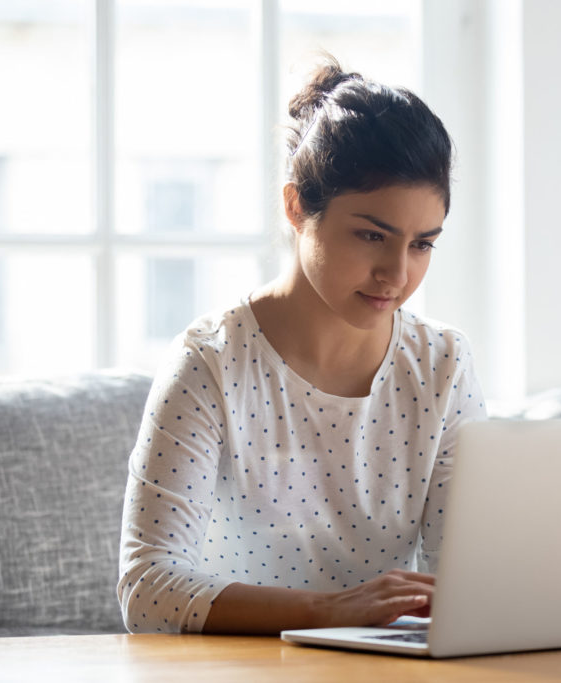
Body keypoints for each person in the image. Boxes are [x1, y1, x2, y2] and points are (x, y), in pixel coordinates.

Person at [117, 56, 487, 635]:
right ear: (296, 208)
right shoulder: (210, 362)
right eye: (372, 235)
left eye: (422, 244)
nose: (397, 273)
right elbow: (147, 589)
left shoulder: (443, 366)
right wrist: (328, 611)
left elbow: (466, 585)